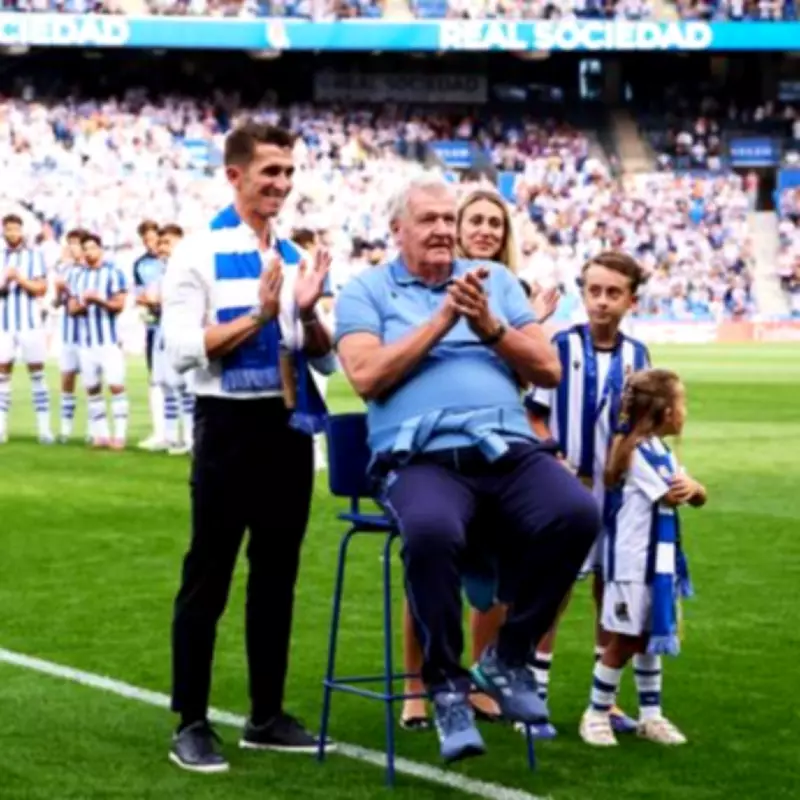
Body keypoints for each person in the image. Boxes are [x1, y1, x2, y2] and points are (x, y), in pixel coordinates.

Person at [334, 174, 600, 764]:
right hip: (419, 458)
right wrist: (441, 323)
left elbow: (549, 369)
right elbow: (366, 377)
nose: (443, 231)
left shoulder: (496, 283)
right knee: (430, 531)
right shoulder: (365, 291)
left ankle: (508, 656)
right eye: (428, 220)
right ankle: (447, 689)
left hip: (504, 450)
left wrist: (490, 326)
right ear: (396, 229)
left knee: (577, 512)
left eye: (448, 220)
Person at [161, 120, 336, 774]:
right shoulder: (197, 252)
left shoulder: (294, 257)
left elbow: (324, 361)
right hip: (227, 428)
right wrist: (261, 317)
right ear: (234, 174)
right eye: (270, 173)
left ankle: (265, 714)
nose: (282, 185)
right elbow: (183, 350)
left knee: (277, 577)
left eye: (289, 173)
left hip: (287, 430)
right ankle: (192, 721)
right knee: (209, 573)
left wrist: (310, 313)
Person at [399, 186, 559, 730]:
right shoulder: (422, 289)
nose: (487, 231)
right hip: (436, 447)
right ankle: (419, 687)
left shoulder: (512, 292)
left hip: (500, 441)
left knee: (503, 560)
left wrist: (515, 327)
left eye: (497, 223)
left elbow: (533, 375)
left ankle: (486, 674)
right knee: (431, 550)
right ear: (454, 228)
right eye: (476, 221)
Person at [523, 251, 651, 737]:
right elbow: (534, 413)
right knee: (554, 591)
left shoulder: (638, 356)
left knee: (610, 591)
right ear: (583, 294)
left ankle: (606, 699)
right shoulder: (560, 345)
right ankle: (532, 699)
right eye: (594, 291)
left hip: (618, 495)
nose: (601, 301)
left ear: (631, 301)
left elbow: (641, 425)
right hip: (567, 491)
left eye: (613, 293)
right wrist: (553, 459)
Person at [579, 368, 706, 747]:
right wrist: (692, 489)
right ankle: (596, 712)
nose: (685, 411)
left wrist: (697, 487)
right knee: (625, 640)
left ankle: (651, 715)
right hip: (633, 566)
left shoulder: (659, 451)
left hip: (657, 565)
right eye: (681, 403)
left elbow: (693, 495)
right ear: (666, 412)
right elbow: (674, 494)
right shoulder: (638, 454)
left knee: (651, 637)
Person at [67, 232, 129, 450]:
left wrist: (99, 300)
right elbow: (72, 308)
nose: (89, 252)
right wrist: (84, 305)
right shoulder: (77, 276)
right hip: (86, 343)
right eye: (86, 248)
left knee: (116, 386)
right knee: (92, 389)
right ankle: (101, 435)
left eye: (93, 247)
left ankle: (119, 435)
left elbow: (119, 305)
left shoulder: (114, 273)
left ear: (100, 249)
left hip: (109, 342)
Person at [0, 214, 53, 444]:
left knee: (38, 375)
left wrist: (19, 279)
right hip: (4, 324)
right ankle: (1, 428)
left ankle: (44, 428)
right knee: (2, 376)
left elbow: (41, 288)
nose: (12, 233)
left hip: (30, 323)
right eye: (8, 229)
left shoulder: (34, 256)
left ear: (22, 231)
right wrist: (4, 282)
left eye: (16, 229)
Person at [151, 224, 194, 455]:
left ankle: (190, 438)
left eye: (167, 242)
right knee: (169, 385)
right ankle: (170, 436)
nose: (162, 248)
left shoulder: (189, 267)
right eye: (160, 243)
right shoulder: (164, 270)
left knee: (185, 387)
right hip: (165, 332)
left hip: (184, 332)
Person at [134, 219, 168, 451]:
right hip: (154, 327)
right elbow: (139, 296)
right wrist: (151, 302)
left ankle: (183, 434)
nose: (150, 244)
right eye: (146, 240)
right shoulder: (140, 264)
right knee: (155, 379)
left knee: (179, 381)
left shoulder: (173, 261)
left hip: (174, 325)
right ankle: (160, 432)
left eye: (154, 239)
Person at [52, 228, 87, 443]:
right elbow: (56, 303)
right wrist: (58, 292)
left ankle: (95, 430)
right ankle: (65, 429)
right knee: (67, 378)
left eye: (77, 243)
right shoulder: (63, 270)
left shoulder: (93, 270)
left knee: (92, 382)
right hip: (68, 333)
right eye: (70, 243)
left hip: (89, 334)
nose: (73, 247)